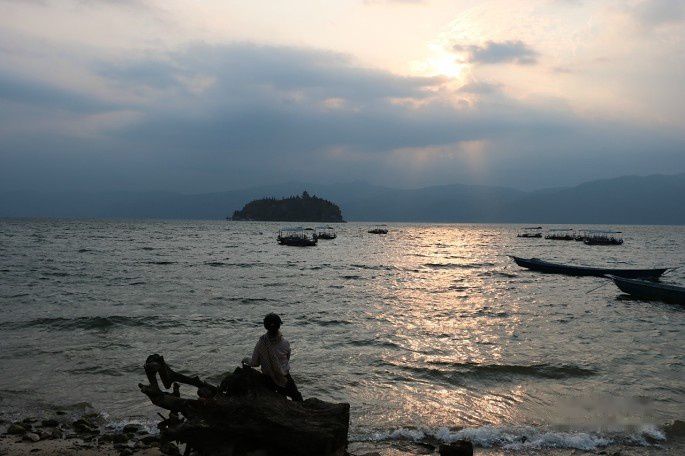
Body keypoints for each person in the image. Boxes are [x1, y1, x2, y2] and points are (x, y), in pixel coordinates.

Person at [242, 313, 303, 402]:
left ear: (265, 326)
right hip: (284, 378)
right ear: (279, 326)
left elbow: (255, 363)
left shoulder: (261, 343)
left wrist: (245, 360)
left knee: (277, 398)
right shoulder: (285, 343)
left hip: (268, 380)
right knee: (297, 397)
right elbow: (287, 359)